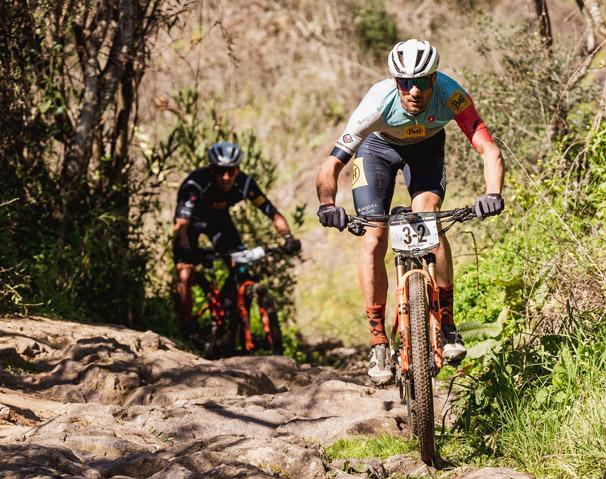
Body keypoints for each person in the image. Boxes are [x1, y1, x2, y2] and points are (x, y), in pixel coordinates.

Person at [315, 39, 505, 386]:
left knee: (429, 218)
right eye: (405, 83)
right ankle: (377, 342)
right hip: (377, 152)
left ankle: (447, 326)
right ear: (395, 81)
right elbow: (331, 166)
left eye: (423, 81)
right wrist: (328, 204)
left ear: (435, 79)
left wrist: (493, 193)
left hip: (427, 150)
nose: (415, 91)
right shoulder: (376, 103)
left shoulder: (451, 95)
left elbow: (489, 150)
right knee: (374, 237)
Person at [173, 141, 301, 336]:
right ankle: (187, 328)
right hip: (191, 224)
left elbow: (272, 213)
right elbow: (181, 224)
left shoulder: (245, 183)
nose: (225, 177)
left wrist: (289, 238)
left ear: (237, 169)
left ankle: (231, 320)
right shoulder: (196, 183)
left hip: (219, 222)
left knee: (240, 266)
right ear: (211, 169)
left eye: (231, 171)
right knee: (185, 274)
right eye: (220, 171)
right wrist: (185, 249)